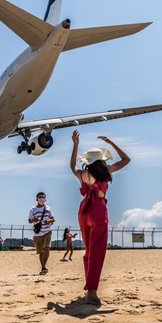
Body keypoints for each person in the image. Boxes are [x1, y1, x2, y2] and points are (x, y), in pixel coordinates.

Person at [70, 131, 130, 305]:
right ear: (101, 160)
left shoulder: (83, 174)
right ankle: (92, 293)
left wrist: (75, 145)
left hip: (83, 212)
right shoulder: (105, 171)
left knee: (89, 251)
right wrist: (111, 142)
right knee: (98, 253)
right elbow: (126, 160)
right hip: (97, 211)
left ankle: (90, 288)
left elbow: (72, 166)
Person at [28, 192, 56, 275]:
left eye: (43, 197)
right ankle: (43, 267)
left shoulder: (48, 208)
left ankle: (43, 267)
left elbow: (53, 219)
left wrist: (48, 221)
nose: (41, 199)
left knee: (47, 248)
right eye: (39, 197)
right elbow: (29, 220)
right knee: (41, 252)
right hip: (37, 233)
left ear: (45, 199)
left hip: (47, 231)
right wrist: (34, 220)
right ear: (36, 199)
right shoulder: (32, 209)